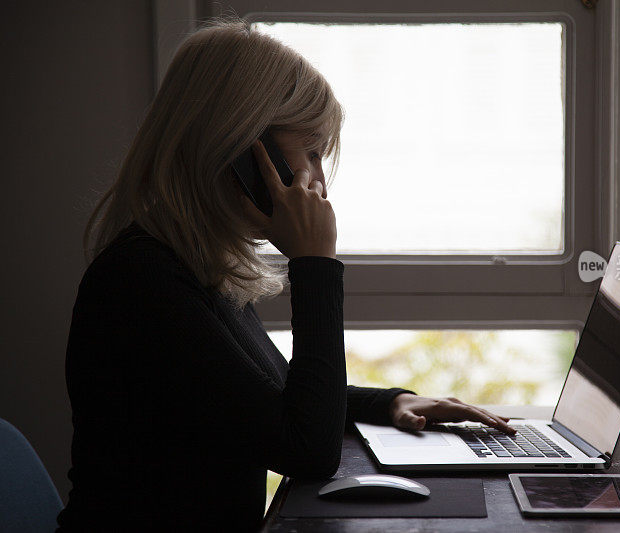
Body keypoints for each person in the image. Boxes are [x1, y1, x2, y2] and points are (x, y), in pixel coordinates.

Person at [56, 17, 515, 532]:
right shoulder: (143, 283)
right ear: (244, 152)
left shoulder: (192, 264)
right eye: (312, 153)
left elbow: (274, 400)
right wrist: (315, 266)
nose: (318, 182)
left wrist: (390, 402)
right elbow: (306, 449)